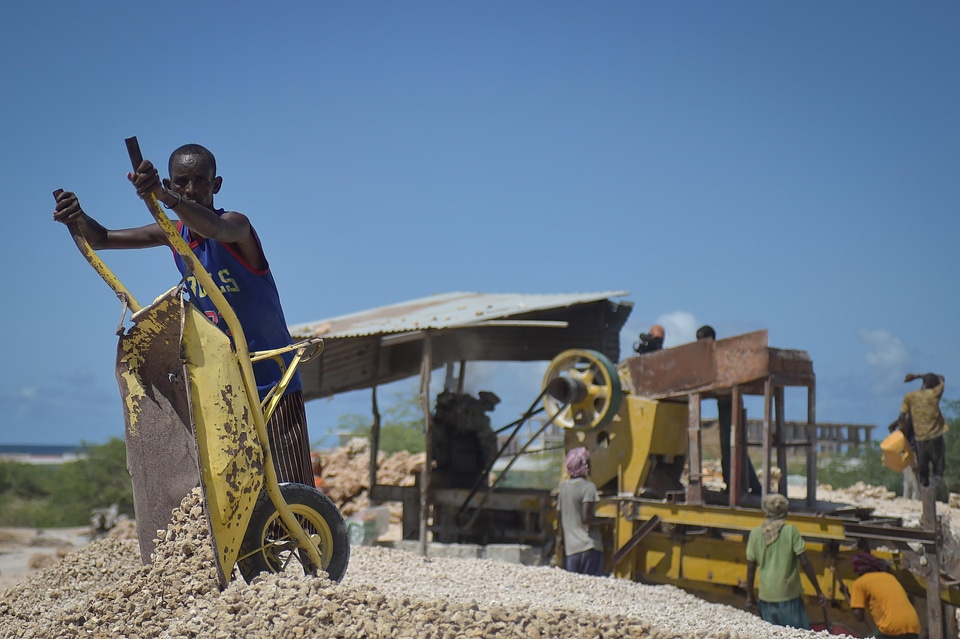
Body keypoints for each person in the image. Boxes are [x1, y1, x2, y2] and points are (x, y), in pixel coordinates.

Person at [52, 144, 313, 486]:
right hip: (226, 383)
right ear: (171, 182)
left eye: (200, 181)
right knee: (240, 489)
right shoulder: (172, 233)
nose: (191, 189)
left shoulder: (236, 225)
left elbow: (212, 230)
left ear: (216, 185)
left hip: (273, 376)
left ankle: (309, 538)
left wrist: (164, 198)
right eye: (182, 182)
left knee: (291, 487)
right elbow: (101, 239)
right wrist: (77, 214)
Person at [696, 325, 763, 495]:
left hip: (730, 401)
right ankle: (740, 484)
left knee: (733, 446)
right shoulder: (709, 356)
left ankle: (747, 485)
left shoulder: (719, 355)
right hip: (725, 401)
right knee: (730, 446)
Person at [745, 493, 827, 629]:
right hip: (789, 596)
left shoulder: (755, 534)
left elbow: (751, 568)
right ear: (785, 511)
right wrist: (818, 591)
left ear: (766, 510)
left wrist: (749, 596)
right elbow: (805, 562)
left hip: (766, 596)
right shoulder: (791, 532)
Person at [839, 551, 920, 639]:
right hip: (914, 625)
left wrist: (846, 595)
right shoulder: (890, 577)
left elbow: (859, 616)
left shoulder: (860, 583)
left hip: (891, 627)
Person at [558, 447, 610, 576]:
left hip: (571, 550)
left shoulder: (563, 488)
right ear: (585, 466)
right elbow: (586, 518)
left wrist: (560, 542)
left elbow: (560, 518)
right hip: (589, 548)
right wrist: (606, 521)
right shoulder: (588, 487)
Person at [897, 372, 947, 489]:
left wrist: (902, 440)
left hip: (920, 439)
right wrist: (918, 376)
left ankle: (925, 495)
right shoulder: (935, 394)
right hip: (935, 438)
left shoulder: (910, 396)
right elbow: (941, 378)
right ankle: (932, 491)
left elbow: (902, 418)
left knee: (923, 474)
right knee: (938, 472)